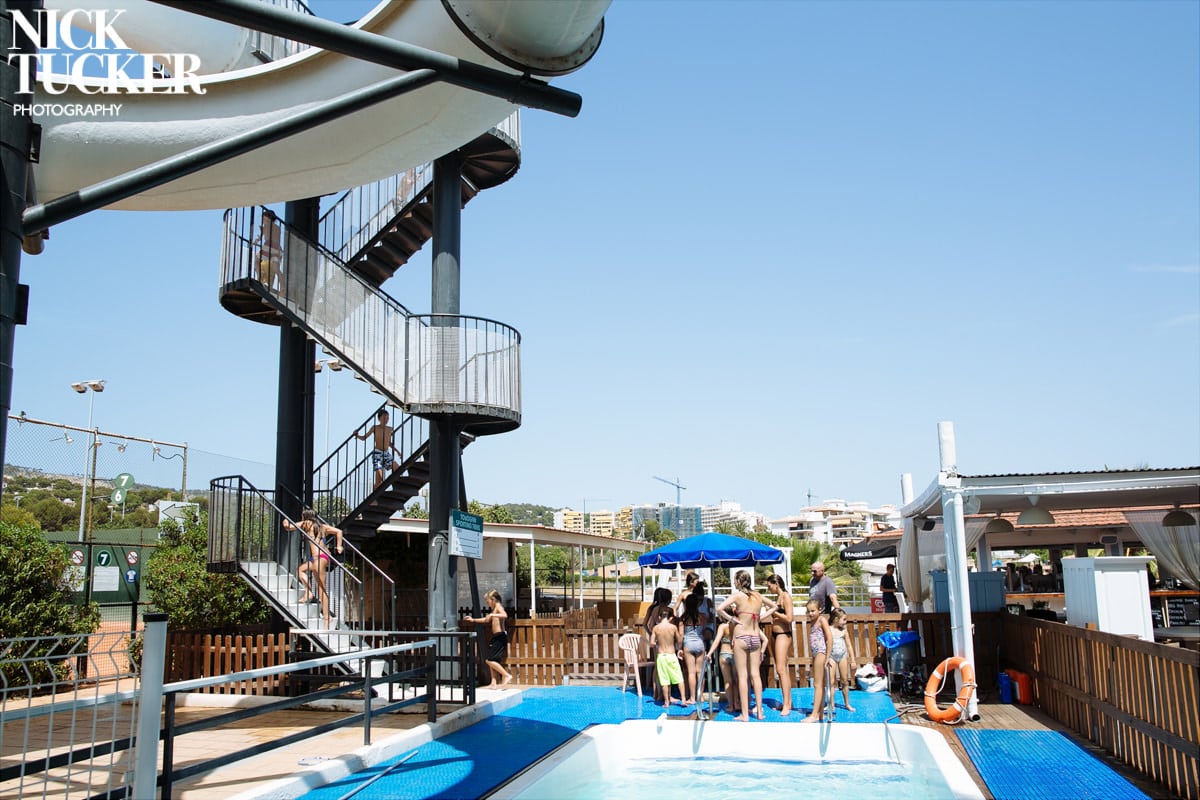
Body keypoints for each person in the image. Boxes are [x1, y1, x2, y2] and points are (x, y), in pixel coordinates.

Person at [717, 569, 777, 721]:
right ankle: (760, 712)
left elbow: (719, 608)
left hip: (741, 637)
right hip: (755, 637)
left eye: (735, 580)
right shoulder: (758, 596)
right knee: (755, 675)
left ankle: (745, 714)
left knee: (743, 676)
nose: (734, 582)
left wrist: (732, 619)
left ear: (738, 581)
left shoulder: (737, 596)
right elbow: (775, 606)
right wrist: (761, 616)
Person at [284, 509, 343, 628]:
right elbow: (339, 531)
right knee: (300, 570)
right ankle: (309, 592)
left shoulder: (307, 523)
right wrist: (339, 546)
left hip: (319, 558)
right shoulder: (323, 526)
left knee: (321, 589)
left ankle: (327, 617)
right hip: (319, 558)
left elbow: (289, 527)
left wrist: (284, 521)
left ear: (305, 516)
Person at [466, 589, 513, 688]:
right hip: (496, 636)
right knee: (493, 660)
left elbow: (505, 615)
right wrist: (473, 620)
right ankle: (493, 682)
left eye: (488, 602)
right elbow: (486, 620)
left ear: (493, 600)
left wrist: (492, 614)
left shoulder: (498, 607)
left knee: (489, 660)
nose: (488, 604)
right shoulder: (494, 609)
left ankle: (506, 675)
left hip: (500, 636)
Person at [763, 573, 795, 715]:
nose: (768, 589)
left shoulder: (786, 596)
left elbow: (789, 618)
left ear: (776, 584)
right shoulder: (778, 597)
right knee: (781, 670)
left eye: (769, 586)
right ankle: (787, 702)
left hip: (783, 634)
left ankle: (787, 704)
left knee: (781, 670)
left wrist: (774, 613)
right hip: (776, 634)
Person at [803, 599, 833, 722]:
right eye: (808, 611)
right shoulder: (813, 622)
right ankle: (820, 713)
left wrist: (828, 656)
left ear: (820, 610)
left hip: (821, 652)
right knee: (820, 684)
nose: (810, 613)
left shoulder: (821, 620)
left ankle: (814, 714)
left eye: (813, 611)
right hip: (816, 653)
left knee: (817, 684)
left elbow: (829, 638)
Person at [651, 606, 688, 707]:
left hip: (661, 656)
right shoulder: (673, 627)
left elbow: (651, 643)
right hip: (671, 655)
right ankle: (683, 700)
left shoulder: (656, 628)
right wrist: (679, 647)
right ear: (671, 618)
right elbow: (679, 640)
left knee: (664, 681)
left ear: (659, 617)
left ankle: (666, 702)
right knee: (679, 678)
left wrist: (658, 643)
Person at [641, 587, 672, 702]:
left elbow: (646, 624)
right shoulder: (666, 610)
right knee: (664, 667)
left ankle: (656, 692)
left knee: (657, 666)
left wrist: (652, 634)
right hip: (665, 641)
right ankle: (664, 694)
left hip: (656, 640)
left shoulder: (652, 608)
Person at [355, 409, 399, 488]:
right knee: (379, 479)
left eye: (387, 418)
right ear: (379, 418)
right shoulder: (375, 428)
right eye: (384, 418)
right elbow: (364, 437)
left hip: (386, 453)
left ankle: (394, 486)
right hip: (377, 454)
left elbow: (389, 443)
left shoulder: (390, 429)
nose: (386, 420)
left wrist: (397, 451)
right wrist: (357, 436)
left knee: (397, 468)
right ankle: (375, 494)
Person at [705, 613, 739, 714]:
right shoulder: (737, 625)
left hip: (724, 653)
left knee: (727, 681)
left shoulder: (723, 626)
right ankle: (737, 703)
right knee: (736, 680)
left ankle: (731, 705)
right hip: (735, 654)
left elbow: (716, 641)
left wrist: (709, 654)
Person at [679, 590, 708, 706]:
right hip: (700, 643)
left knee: (691, 672)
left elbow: (681, 635)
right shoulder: (702, 617)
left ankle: (692, 697)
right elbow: (704, 630)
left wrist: (680, 648)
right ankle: (700, 696)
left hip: (688, 644)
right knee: (700, 672)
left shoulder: (683, 618)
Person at [828, 608, 858, 712]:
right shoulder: (828, 630)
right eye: (844, 619)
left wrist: (853, 660)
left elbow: (849, 645)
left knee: (844, 680)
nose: (846, 622)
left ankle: (847, 703)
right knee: (831, 682)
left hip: (842, 656)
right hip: (831, 657)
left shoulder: (844, 631)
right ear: (836, 619)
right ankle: (831, 704)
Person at [255, 209, 283, 292]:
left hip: (269, 245)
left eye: (264, 219)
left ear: (268, 218)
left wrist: (256, 241)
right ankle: (280, 286)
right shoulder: (278, 227)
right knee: (275, 268)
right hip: (278, 248)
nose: (263, 220)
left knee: (256, 259)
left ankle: (259, 277)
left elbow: (259, 239)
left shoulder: (266, 226)